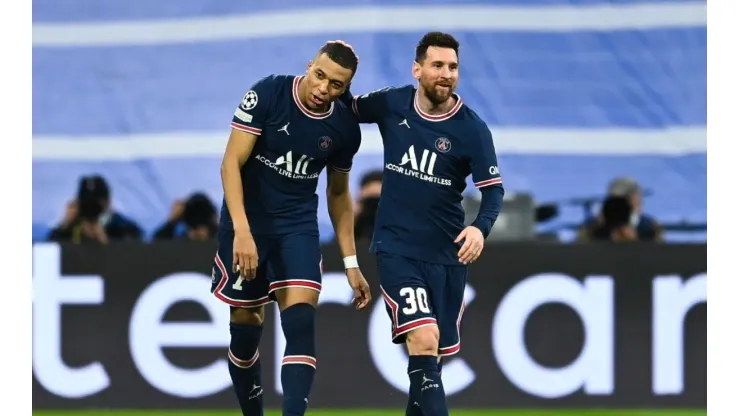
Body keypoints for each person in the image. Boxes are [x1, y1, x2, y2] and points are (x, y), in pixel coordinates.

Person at [336, 32, 504, 416]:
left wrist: (480, 228)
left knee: (428, 363)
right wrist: (336, 69)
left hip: (446, 257)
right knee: (425, 340)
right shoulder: (393, 103)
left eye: (453, 67)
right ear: (417, 69)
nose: (446, 74)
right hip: (398, 249)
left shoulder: (471, 129)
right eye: (438, 65)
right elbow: (346, 106)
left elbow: (493, 192)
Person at [211, 41, 372, 416]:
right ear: (309, 66)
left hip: (297, 227)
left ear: (345, 88)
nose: (323, 89)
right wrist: (242, 233)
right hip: (247, 223)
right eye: (320, 76)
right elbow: (230, 164)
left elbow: (338, 194)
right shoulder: (267, 93)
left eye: (336, 85)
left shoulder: (345, 128)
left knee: (300, 322)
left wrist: (351, 261)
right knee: (245, 330)